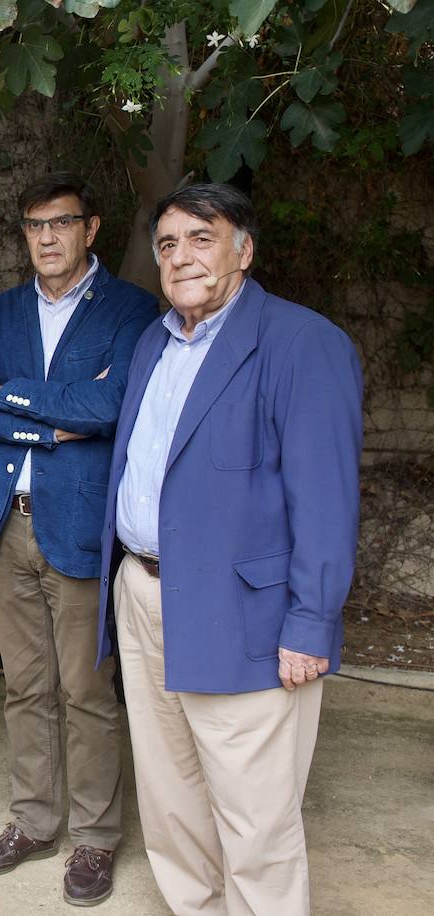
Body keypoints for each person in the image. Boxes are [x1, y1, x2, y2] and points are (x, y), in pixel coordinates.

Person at [99, 184, 363, 914]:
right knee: (170, 795)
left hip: (246, 610)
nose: (181, 256)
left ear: (244, 250)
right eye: (167, 244)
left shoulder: (302, 343)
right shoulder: (155, 339)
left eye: (201, 238)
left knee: (255, 813)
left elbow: (327, 499)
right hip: (144, 594)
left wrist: (312, 623)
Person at [0, 172, 157, 906]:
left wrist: (19, 393)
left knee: (88, 690)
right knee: (24, 687)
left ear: (90, 229)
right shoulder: (4, 312)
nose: (45, 238)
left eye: (60, 223)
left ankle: (95, 838)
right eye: (34, 225)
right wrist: (42, 422)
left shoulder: (132, 309)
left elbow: (111, 402)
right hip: (7, 524)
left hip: (78, 525)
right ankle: (34, 822)